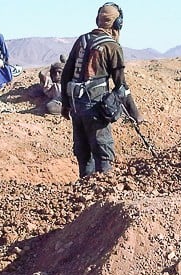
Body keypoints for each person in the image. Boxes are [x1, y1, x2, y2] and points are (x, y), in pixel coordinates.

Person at [60, 3, 145, 179]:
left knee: (83, 154)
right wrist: (135, 114)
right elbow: (121, 86)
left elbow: (66, 73)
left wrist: (65, 105)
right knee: (103, 153)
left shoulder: (82, 40)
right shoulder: (112, 46)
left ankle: (85, 191)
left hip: (76, 107)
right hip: (94, 108)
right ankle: (102, 194)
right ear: (117, 23)